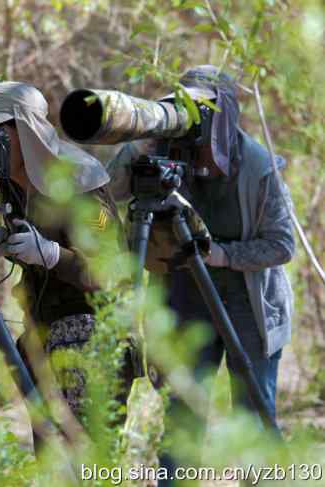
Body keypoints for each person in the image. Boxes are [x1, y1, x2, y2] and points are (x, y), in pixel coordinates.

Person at [107, 65, 295, 485]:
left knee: (252, 413)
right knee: (183, 415)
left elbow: (283, 245)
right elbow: (109, 190)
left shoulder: (257, 166)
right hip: (186, 298)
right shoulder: (161, 153)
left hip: (250, 305)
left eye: (203, 109)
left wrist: (222, 256)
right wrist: (145, 138)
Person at [0, 81, 138, 451]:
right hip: (44, 336)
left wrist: (54, 255)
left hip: (95, 337)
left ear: (24, 131)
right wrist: (7, 242)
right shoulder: (11, 181)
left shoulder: (79, 178)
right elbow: (30, 243)